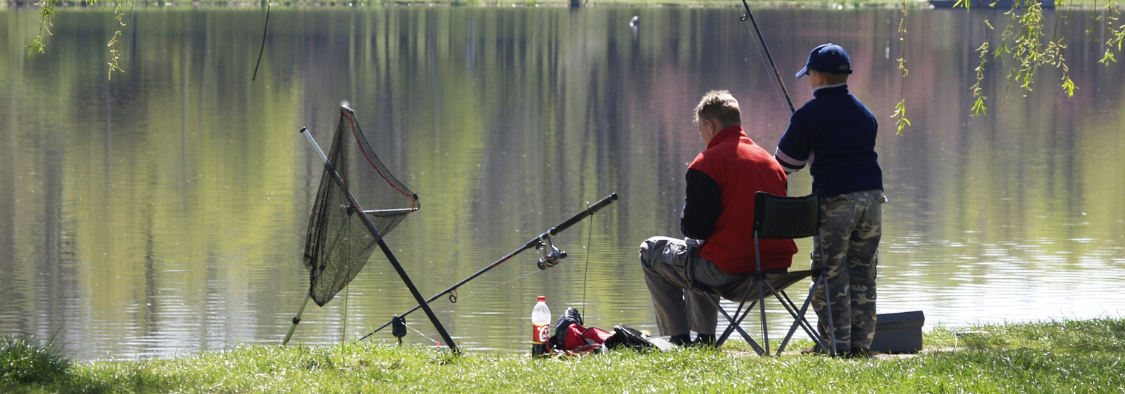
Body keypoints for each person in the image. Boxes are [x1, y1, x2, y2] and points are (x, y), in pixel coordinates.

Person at [639, 90, 798, 347]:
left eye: (701, 128)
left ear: (710, 124)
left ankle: (676, 339)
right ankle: (703, 339)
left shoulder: (707, 162)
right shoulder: (772, 163)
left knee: (651, 250)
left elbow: (694, 226)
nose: (701, 135)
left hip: (731, 274)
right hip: (776, 271)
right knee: (694, 252)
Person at [774, 43, 886, 357]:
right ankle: (860, 345)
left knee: (829, 274)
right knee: (863, 273)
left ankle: (834, 345)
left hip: (837, 201)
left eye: (809, 74)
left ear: (818, 76)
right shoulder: (865, 112)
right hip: (874, 200)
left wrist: (802, 134)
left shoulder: (810, 113)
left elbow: (784, 164)